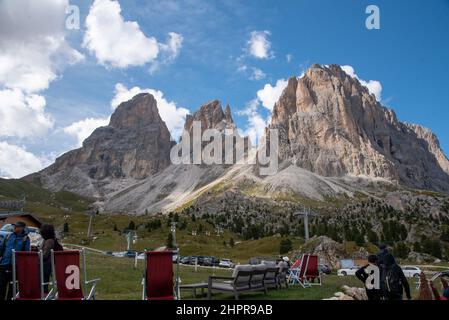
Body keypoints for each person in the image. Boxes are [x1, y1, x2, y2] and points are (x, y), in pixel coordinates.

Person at [0, 221, 30, 300]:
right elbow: (1, 249)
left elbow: (26, 255)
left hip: (16, 266)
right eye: (14, 226)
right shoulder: (8, 236)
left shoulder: (25, 239)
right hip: (4, 264)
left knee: (12, 287)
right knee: (1, 285)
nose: (14, 228)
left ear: (22, 228)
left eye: (17, 226)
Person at [39, 224, 63, 293]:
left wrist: (37, 255)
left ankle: (44, 294)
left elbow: (45, 255)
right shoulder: (51, 240)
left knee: (43, 282)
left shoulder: (49, 241)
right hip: (50, 265)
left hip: (47, 266)